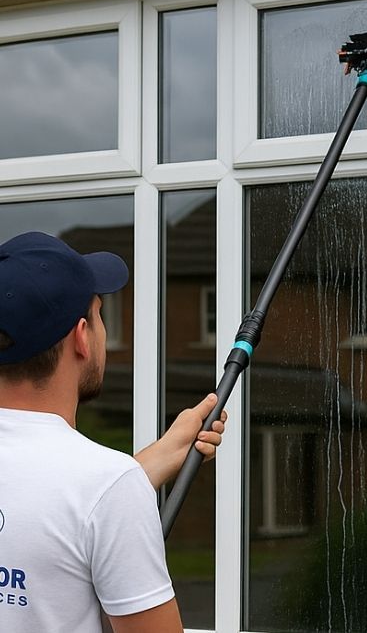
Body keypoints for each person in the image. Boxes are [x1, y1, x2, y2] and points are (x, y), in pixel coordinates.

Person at [0, 231, 227, 632]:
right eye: (101, 314)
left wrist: (142, 470)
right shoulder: (106, 485)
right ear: (82, 337)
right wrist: (123, 487)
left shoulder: (108, 486)